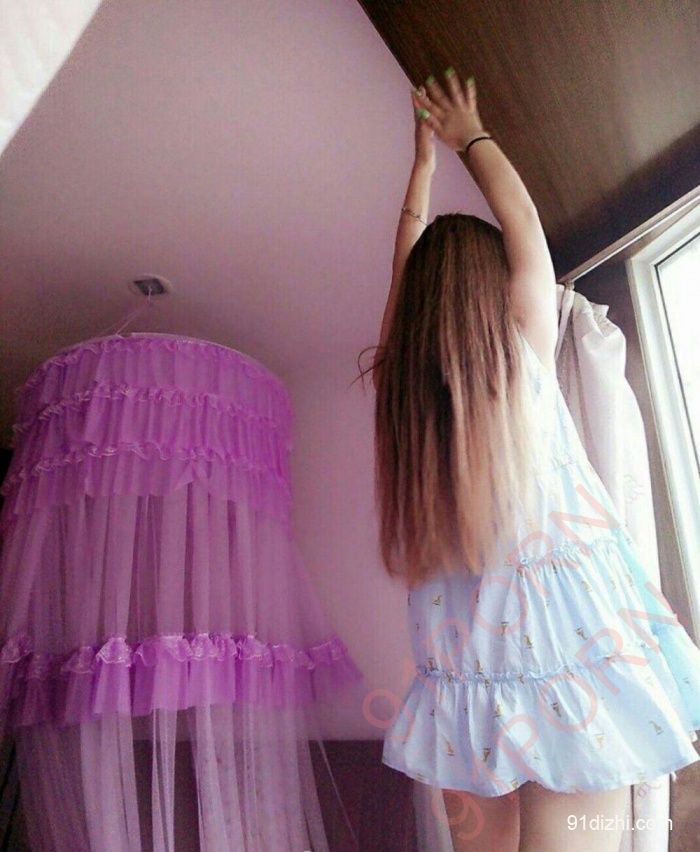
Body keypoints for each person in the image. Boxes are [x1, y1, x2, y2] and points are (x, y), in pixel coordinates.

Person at [356, 68, 700, 851]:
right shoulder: (524, 366)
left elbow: (405, 281)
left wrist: (421, 174)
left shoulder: (404, 410)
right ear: (496, 294)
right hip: (576, 677)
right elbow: (525, 226)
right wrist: (464, 137)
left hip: (468, 706)